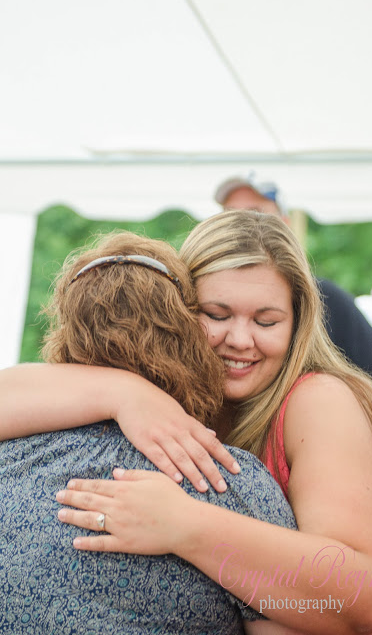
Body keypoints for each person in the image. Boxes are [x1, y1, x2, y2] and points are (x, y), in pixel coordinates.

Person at [0, 214, 372, 634]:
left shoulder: (318, 401)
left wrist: (185, 525)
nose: (240, 339)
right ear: (179, 310)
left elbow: (358, 603)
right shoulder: (169, 397)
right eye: (217, 315)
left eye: (266, 321)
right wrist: (122, 392)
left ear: (297, 326)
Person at [0, 230, 300, 635]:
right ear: (189, 339)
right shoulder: (229, 482)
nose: (239, 339)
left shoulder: (10, 456)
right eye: (216, 316)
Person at [213, 175, 372, 430]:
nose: (242, 226)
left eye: (266, 320)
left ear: (285, 223)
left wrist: (366, 444)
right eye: (217, 314)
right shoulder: (192, 290)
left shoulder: (325, 299)